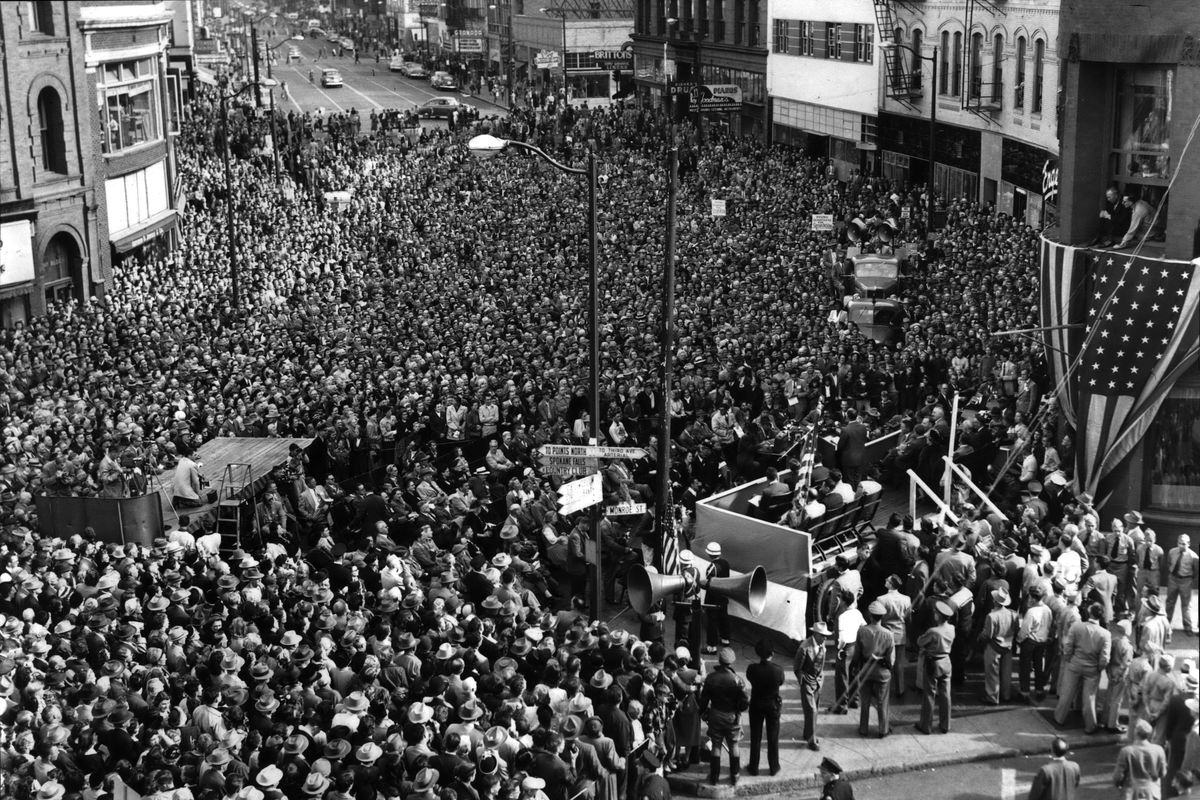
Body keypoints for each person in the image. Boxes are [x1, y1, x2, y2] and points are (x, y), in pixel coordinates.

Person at [1055, 601, 1112, 735]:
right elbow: (1105, 657)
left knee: (1067, 693)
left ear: (1090, 613)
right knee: (1090, 698)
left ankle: (1059, 718)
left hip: (1074, 664)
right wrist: (1099, 668)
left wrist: (1069, 659)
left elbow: (1068, 646)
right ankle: (1090, 725)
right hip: (1092, 668)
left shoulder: (1076, 627)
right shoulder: (1105, 634)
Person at [698, 647, 748, 786]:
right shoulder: (738, 680)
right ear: (731, 662)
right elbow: (745, 702)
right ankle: (734, 774)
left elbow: (704, 699)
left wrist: (702, 712)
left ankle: (714, 776)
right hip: (732, 716)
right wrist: (738, 709)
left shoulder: (711, 678)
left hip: (715, 714)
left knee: (716, 745)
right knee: (733, 745)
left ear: (720, 661)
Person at [853, 600, 894, 738]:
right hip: (882, 671)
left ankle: (863, 729)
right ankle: (883, 730)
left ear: (870, 616)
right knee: (882, 701)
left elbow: (857, 653)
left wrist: (855, 667)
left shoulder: (862, 631)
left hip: (865, 669)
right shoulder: (889, 634)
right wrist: (888, 668)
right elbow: (890, 659)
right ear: (882, 617)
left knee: (865, 701)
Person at [916, 599, 955, 735]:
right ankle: (945, 724)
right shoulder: (952, 628)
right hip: (946, 661)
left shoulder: (933, 631)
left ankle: (926, 725)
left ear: (938, 616)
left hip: (933, 662)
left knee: (929, 694)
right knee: (945, 695)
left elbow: (920, 642)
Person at [745, 640, 784, 776]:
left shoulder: (752, 669)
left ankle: (753, 766)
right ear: (772, 653)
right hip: (772, 706)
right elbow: (781, 681)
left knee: (755, 737)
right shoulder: (778, 670)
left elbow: (750, 678)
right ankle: (774, 766)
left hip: (756, 705)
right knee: (773, 737)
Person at [794, 621, 830, 752]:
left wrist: (820, 677)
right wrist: (802, 681)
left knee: (815, 711)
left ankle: (808, 734)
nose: (825, 638)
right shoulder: (804, 648)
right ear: (815, 634)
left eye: (826, 635)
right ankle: (812, 740)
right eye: (822, 635)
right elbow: (797, 667)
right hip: (807, 682)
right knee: (811, 710)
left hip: (818, 681)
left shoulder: (821, 644)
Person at [981, 585, 1019, 705]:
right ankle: (1006, 695)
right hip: (1008, 646)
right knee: (1007, 673)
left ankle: (992, 697)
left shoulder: (991, 616)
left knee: (992, 673)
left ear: (995, 601)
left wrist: (979, 638)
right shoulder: (1013, 614)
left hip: (994, 646)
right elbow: (1016, 628)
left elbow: (987, 634)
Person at [1113, 719, 1167, 799]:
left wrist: (1118, 784)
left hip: (1131, 793)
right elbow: (1163, 773)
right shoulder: (1159, 750)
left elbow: (1118, 776)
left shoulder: (1126, 751)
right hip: (1152, 792)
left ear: (1135, 733)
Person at [1166, 534, 1198, 636]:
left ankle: (1188, 627)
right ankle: (1166, 625)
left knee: (1186, 605)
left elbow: (1196, 570)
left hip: (1186, 581)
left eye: (1184, 544)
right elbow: (1169, 563)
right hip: (1173, 579)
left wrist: (1188, 578)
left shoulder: (1194, 556)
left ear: (1188, 544)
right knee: (1170, 602)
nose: (1181, 546)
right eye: (1179, 543)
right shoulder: (1172, 552)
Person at [702, 542, 731, 654]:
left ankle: (712, 647)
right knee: (724, 619)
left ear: (709, 555)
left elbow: (709, 584)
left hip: (713, 599)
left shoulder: (711, 567)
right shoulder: (726, 563)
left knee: (712, 623)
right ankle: (725, 639)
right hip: (723, 596)